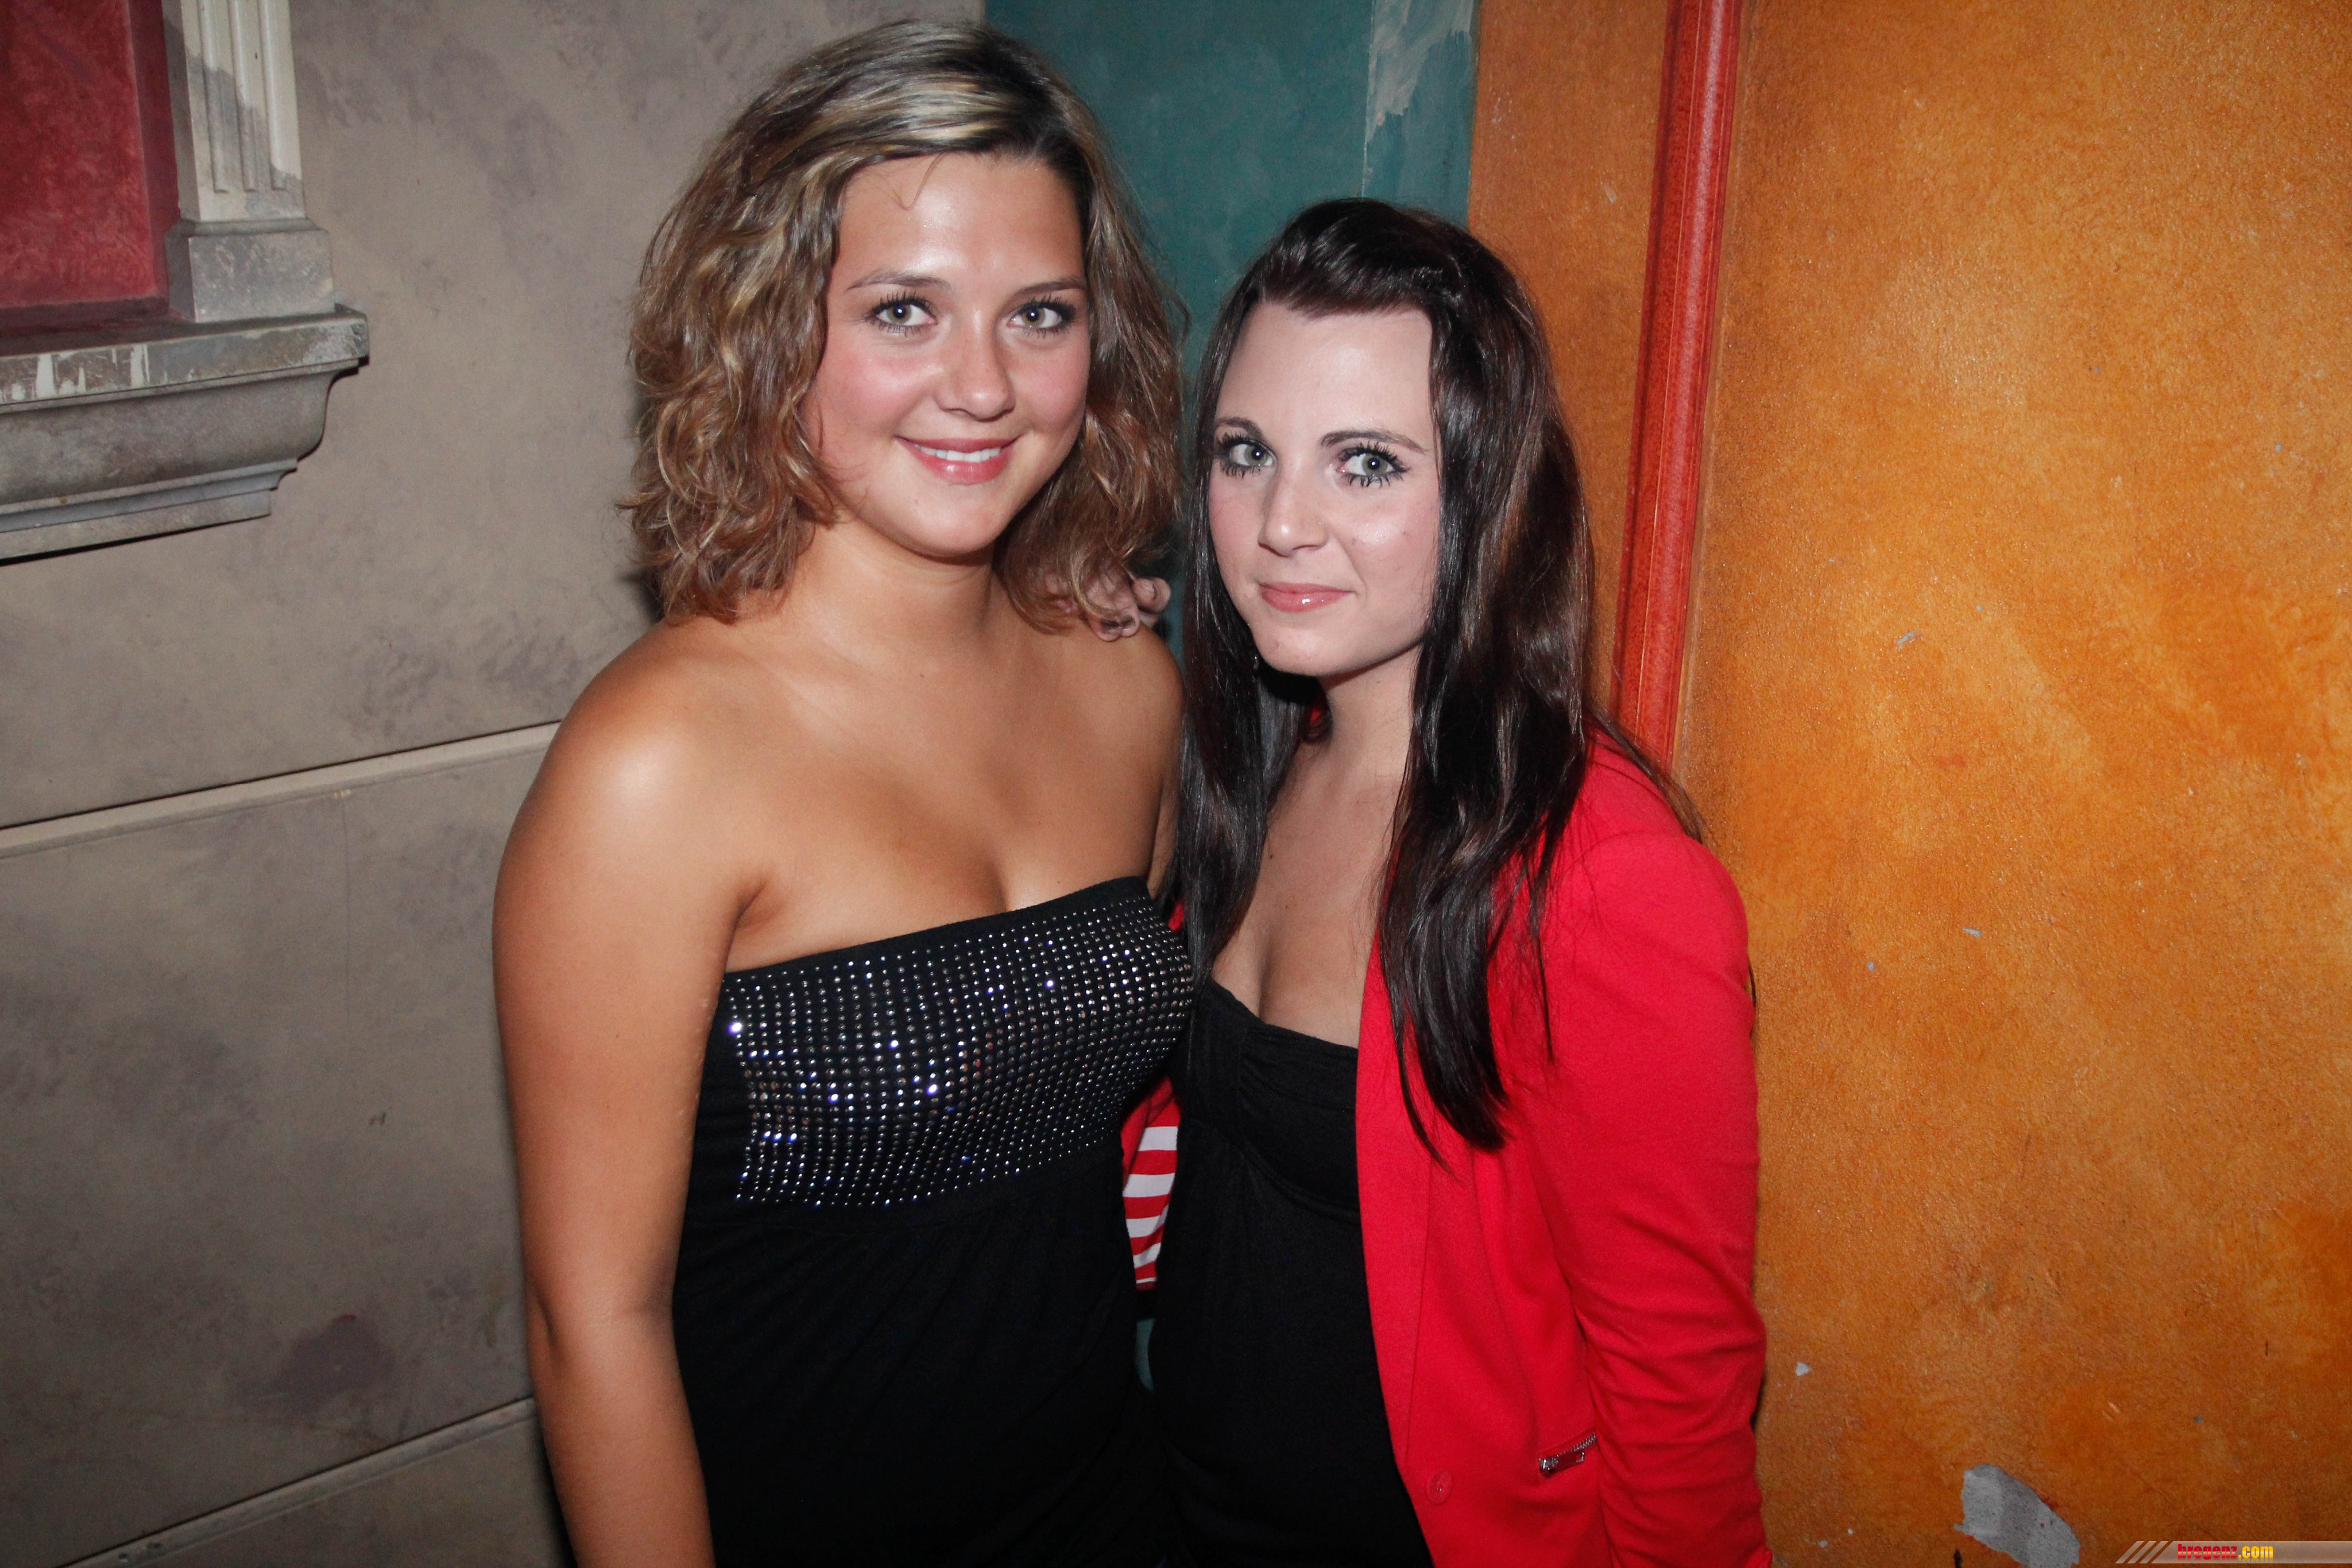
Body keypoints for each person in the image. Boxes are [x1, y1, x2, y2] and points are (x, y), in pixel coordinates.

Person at [494, 24, 1188, 1567]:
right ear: (767, 329)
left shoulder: (1129, 683)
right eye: (901, 311)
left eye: (1040, 314)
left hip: (1112, 1511)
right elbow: (592, 1321)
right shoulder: (656, 764)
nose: (983, 385)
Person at [1147, 200, 1771, 1567]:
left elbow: (1677, 1395)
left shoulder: (1599, 882)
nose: (1281, 524)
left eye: (1364, 463)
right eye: (1246, 453)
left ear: (1485, 490)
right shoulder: (1252, 769)